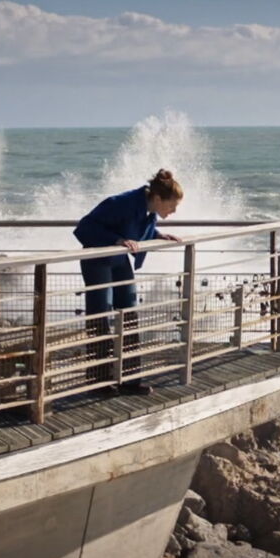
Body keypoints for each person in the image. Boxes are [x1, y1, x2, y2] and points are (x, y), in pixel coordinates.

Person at [74, 169, 183, 395]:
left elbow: (137, 227)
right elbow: (85, 227)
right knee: (100, 317)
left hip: (118, 259)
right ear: (157, 198)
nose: (173, 211)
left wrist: (158, 235)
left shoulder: (149, 209)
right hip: (98, 260)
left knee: (129, 314)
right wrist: (117, 240)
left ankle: (130, 379)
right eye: (172, 205)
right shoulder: (122, 202)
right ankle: (99, 381)